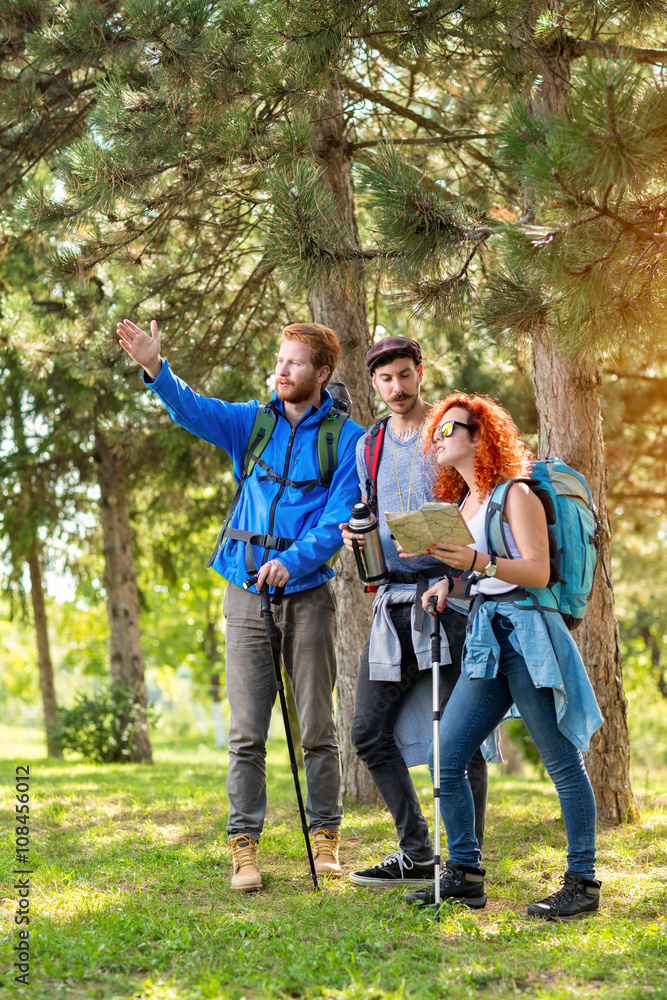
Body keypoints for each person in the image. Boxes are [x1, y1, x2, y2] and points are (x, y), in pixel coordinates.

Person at [117, 317, 365, 891]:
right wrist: (156, 367)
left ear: (321, 373)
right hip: (244, 589)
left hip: (307, 594)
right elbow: (193, 409)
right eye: (279, 360)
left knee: (317, 727)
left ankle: (325, 837)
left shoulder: (346, 439)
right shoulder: (252, 423)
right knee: (247, 731)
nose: (281, 370)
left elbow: (338, 521)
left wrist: (295, 560)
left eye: (294, 362)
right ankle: (244, 848)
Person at [407, 392, 603, 918]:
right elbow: (485, 573)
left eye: (452, 429)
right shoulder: (465, 503)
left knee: (562, 763)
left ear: (481, 435)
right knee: (445, 756)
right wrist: (451, 583)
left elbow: (535, 572)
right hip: (488, 637)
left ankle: (582, 884)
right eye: (437, 430)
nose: (440, 437)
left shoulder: (515, 493)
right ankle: (466, 875)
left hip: (527, 637)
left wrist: (474, 560)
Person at [339, 337, 488, 888]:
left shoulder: (448, 431)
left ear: (420, 373)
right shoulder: (369, 445)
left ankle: (464, 864)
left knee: (460, 738)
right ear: (373, 383)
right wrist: (359, 540)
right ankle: (418, 854)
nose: (396, 388)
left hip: (451, 599)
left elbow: (475, 505)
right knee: (367, 730)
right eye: (385, 380)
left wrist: (454, 577)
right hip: (392, 604)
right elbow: (369, 513)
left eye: (405, 376)